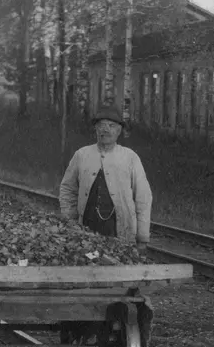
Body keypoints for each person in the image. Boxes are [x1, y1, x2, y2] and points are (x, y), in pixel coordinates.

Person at [59, 106, 152, 249]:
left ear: (119, 131)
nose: (106, 130)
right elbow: (67, 189)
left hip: (119, 231)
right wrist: (70, 220)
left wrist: (143, 237)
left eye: (111, 126)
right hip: (86, 230)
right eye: (101, 125)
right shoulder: (81, 155)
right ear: (95, 129)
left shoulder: (130, 157)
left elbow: (143, 198)